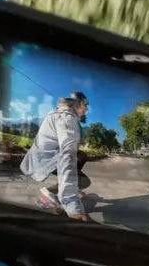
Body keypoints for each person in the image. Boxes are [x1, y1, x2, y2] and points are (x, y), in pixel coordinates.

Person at [19, 91, 95, 222]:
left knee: (82, 155)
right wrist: (72, 205)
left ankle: (61, 193)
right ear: (77, 104)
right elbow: (67, 157)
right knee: (84, 181)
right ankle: (51, 193)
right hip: (46, 162)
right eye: (85, 105)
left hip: (41, 159)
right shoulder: (67, 118)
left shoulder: (59, 113)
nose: (87, 109)